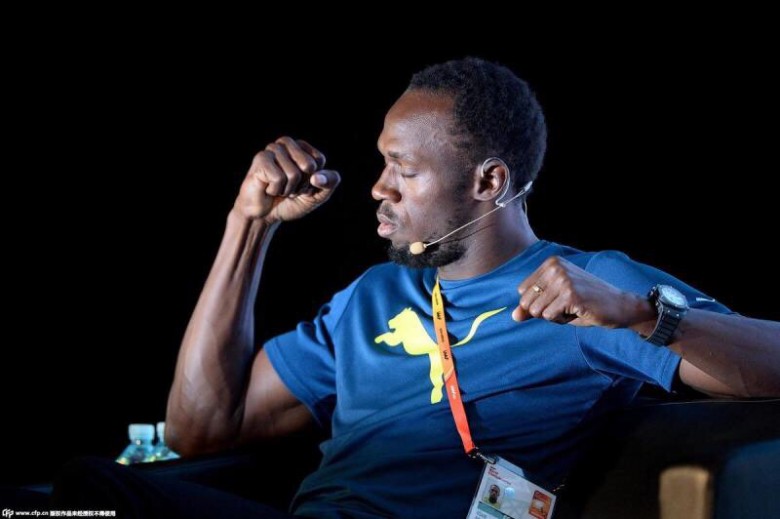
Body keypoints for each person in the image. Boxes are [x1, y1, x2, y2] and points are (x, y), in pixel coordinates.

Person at [39, 57, 780, 517]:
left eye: (404, 169)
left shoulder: (591, 285)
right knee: (82, 496)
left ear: (489, 181)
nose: (377, 188)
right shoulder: (371, 297)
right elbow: (198, 429)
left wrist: (641, 315)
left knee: (90, 494)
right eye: (382, 162)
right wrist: (248, 224)